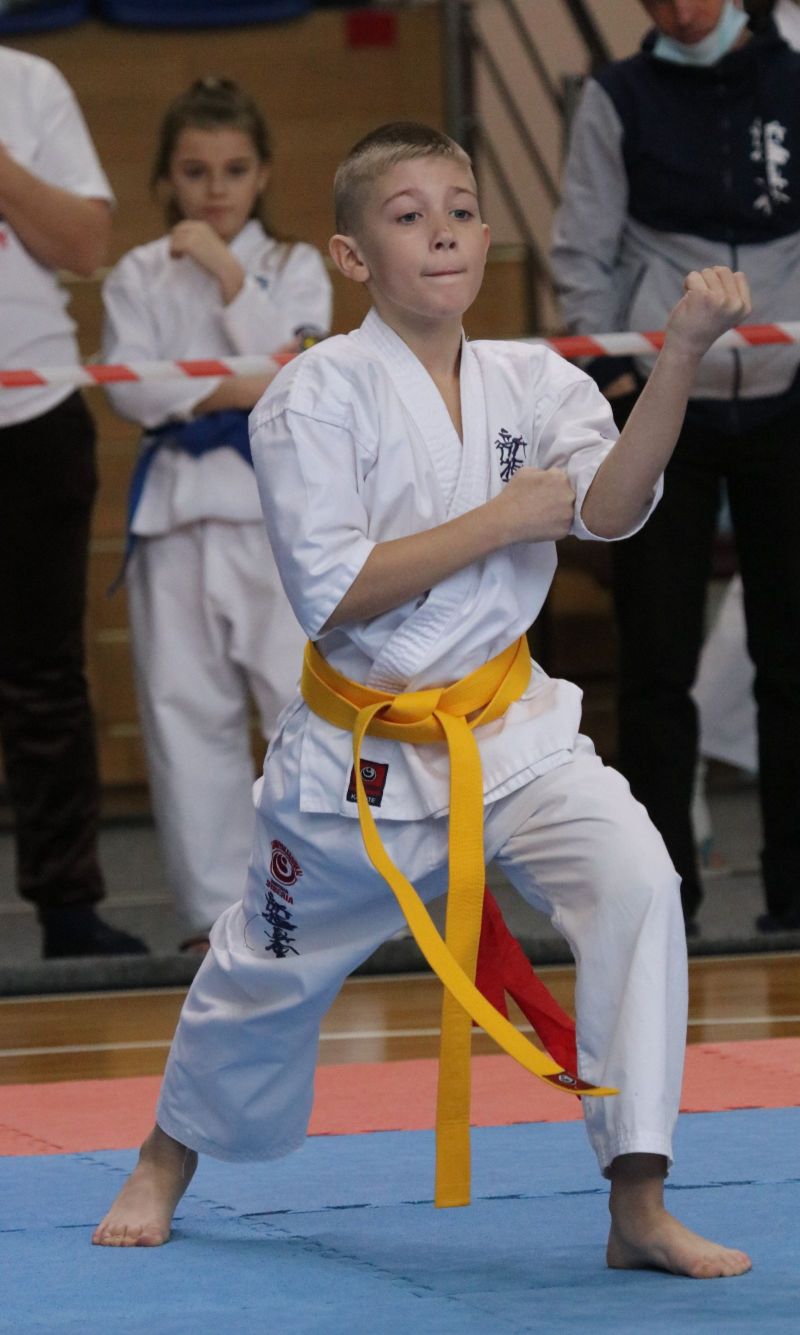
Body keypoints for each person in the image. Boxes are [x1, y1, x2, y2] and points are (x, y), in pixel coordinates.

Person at [93, 122, 751, 1279]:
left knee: (638, 883)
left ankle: (636, 1199)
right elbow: (334, 592)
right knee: (262, 974)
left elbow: (606, 509)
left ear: (486, 239)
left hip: (513, 734)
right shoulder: (309, 396)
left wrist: (681, 356)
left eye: (457, 211)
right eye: (407, 217)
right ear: (351, 257)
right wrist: (500, 519)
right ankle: (164, 1155)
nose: (440, 233)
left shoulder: (532, 379)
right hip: (361, 760)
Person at [552, 0, 800, 934]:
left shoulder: (793, 77)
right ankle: (664, 904)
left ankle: (796, 896)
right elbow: (580, 251)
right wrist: (621, 381)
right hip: (665, 410)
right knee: (657, 666)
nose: (679, 7)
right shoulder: (617, 97)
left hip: (788, 404)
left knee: (793, 661)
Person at [102, 79, 332, 949]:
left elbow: (299, 371)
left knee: (300, 706)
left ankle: (322, 899)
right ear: (167, 177)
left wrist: (229, 276)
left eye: (234, 170)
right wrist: (235, 383)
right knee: (183, 713)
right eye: (195, 171)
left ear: (263, 172)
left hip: (275, 518)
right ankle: (215, 915)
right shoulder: (137, 271)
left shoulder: (297, 264)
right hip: (173, 515)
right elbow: (131, 390)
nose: (215, 189)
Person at [0, 44, 148, 960]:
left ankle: (68, 908)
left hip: (33, 413)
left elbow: (86, 247)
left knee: (45, 674)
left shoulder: (29, 84)